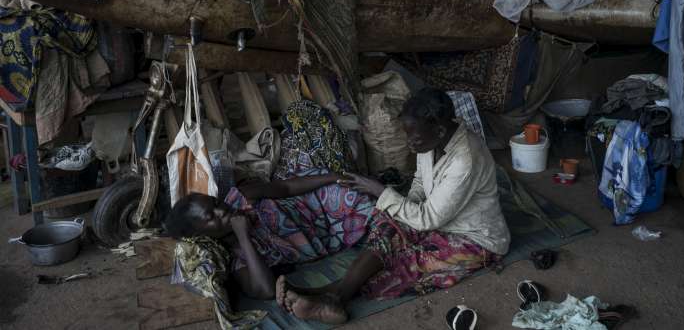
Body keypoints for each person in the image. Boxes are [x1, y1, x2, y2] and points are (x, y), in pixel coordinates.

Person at [276, 87, 510, 324]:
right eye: (407, 135)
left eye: (414, 138)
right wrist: (401, 211)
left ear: (439, 131)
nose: (410, 143)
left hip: (476, 239)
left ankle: (330, 294)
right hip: (439, 220)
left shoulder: (465, 159)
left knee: (412, 261)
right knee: (388, 223)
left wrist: (381, 191)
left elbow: (429, 220)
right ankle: (333, 296)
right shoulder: (433, 137)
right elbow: (420, 181)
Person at [165, 100, 374, 300]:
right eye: (211, 217)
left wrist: (333, 176)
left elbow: (286, 187)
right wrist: (243, 235)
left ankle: (381, 215)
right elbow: (265, 291)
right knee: (375, 216)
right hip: (327, 237)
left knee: (353, 191)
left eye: (216, 204)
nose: (221, 211)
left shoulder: (241, 197)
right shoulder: (236, 256)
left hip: (317, 206)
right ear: (203, 234)